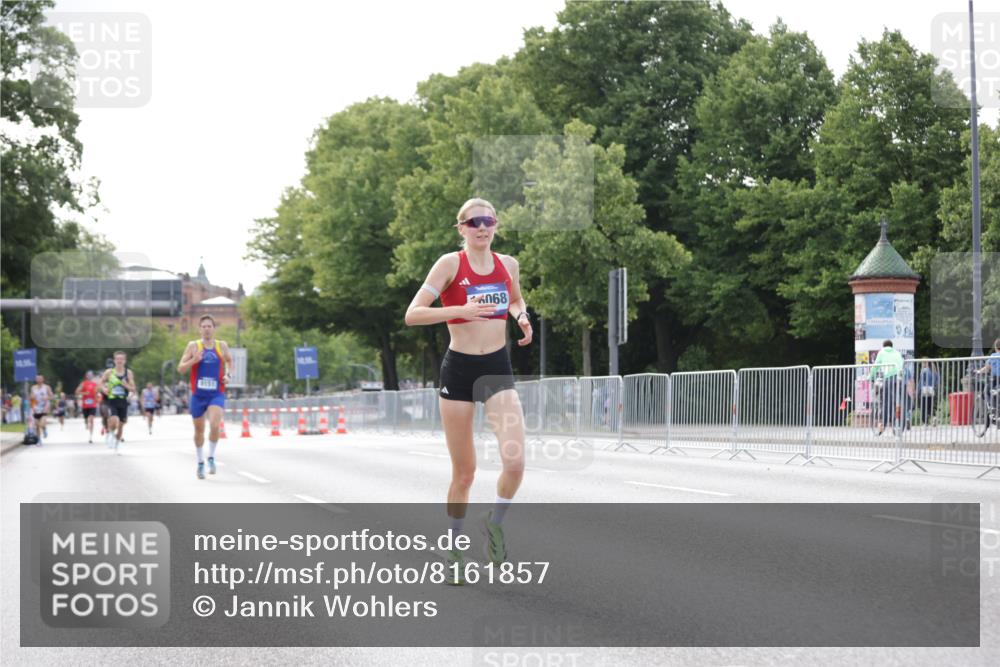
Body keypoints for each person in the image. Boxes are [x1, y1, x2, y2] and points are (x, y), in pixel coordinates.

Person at [404, 198, 532, 583]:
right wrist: (458, 311)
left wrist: (522, 316)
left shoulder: (508, 264)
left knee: (515, 462)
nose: (482, 227)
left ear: (496, 225)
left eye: (488, 221)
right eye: (474, 221)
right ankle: (454, 550)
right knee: (465, 473)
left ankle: (494, 525)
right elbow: (413, 314)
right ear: (461, 228)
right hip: (459, 369)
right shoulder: (449, 264)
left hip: (496, 367)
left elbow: (514, 299)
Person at [177, 315, 232, 480]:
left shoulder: (221, 345)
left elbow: (229, 362)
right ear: (199, 329)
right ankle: (200, 461)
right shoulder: (193, 346)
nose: (207, 329)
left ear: (214, 328)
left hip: (216, 393)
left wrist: (228, 375)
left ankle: (211, 457)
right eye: (204, 326)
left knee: (215, 425)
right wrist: (194, 360)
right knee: (199, 431)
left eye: (209, 326)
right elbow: (180, 368)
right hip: (198, 395)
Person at [97, 351, 136, 453]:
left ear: (125, 361)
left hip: (123, 401)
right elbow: (100, 383)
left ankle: (117, 444)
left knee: (121, 425)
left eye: (121, 359)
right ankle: (110, 433)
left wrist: (125, 385)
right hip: (112, 400)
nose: (119, 361)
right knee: (114, 419)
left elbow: (133, 389)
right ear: (114, 360)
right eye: (117, 359)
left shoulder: (128, 373)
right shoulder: (109, 372)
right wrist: (103, 389)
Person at [868, 340, 904, 435]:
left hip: (889, 378)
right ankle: (899, 423)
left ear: (883, 346)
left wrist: (871, 377)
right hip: (899, 379)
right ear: (892, 346)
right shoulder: (897, 352)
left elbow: (875, 366)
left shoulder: (882, 352)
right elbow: (902, 364)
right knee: (897, 402)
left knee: (886, 403)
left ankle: (883, 425)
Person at [75, 371, 100, 443]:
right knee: (86, 420)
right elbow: (76, 392)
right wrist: (84, 393)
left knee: (91, 419)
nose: (90, 376)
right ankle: (86, 422)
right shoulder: (83, 384)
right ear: (86, 376)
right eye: (88, 375)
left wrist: (97, 398)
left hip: (93, 405)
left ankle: (90, 436)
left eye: (91, 375)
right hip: (85, 405)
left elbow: (97, 393)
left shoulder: (95, 384)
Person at [30, 375, 54, 444]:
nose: (39, 380)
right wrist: (32, 398)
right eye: (37, 379)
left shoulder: (46, 387)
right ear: (36, 380)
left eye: (40, 379)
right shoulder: (33, 388)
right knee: (37, 425)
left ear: (43, 379)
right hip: (36, 407)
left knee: (41, 424)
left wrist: (47, 398)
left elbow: (52, 396)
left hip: (44, 407)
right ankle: (39, 439)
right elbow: (31, 398)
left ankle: (44, 428)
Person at [918, 361, 940, 427]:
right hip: (932, 390)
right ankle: (934, 417)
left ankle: (925, 422)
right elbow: (937, 382)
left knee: (923, 406)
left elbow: (921, 381)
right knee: (931, 405)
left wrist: (918, 390)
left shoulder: (924, 370)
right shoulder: (935, 371)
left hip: (924, 390)